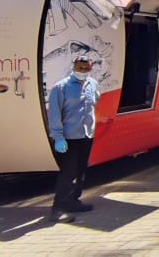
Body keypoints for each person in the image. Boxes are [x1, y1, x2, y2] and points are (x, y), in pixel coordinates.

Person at [46, 55, 100, 223]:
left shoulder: (92, 84)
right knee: (68, 173)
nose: (83, 71)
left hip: (85, 135)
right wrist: (58, 137)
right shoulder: (60, 88)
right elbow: (54, 114)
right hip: (68, 138)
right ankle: (57, 209)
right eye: (80, 68)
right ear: (73, 67)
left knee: (80, 171)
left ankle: (73, 201)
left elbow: (94, 103)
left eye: (86, 68)